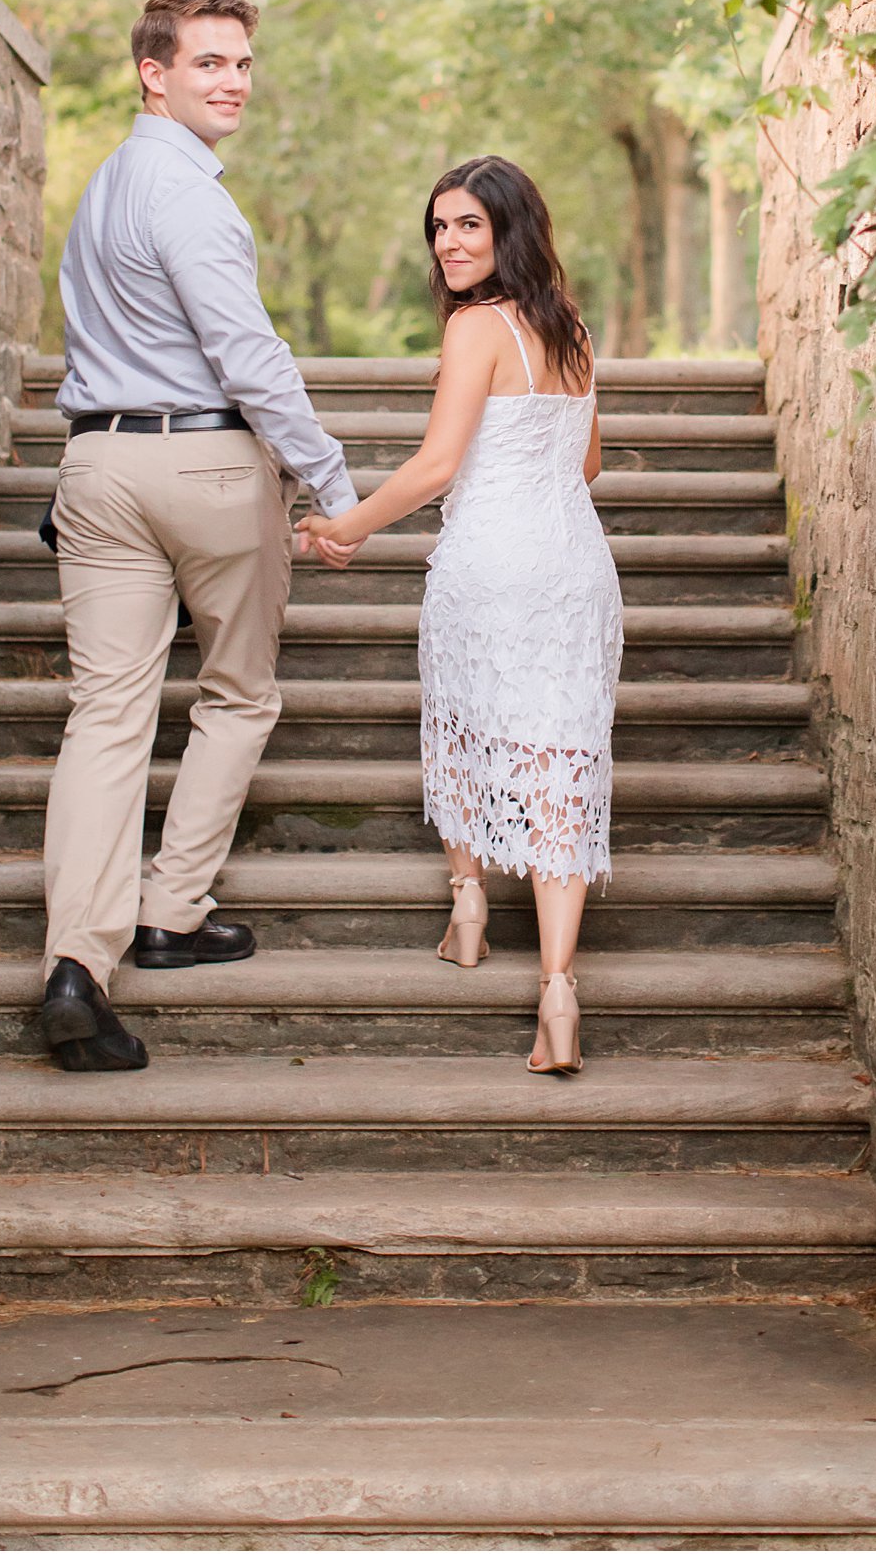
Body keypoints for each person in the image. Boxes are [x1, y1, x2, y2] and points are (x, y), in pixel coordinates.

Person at [41, 0, 360, 1072]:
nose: (231, 82)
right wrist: (330, 481)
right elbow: (249, 356)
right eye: (208, 62)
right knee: (236, 690)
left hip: (96, 461)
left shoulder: (101, 190)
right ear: (153, 73)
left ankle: (76, 965)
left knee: (107, 718)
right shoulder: (192, 199)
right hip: (207, 462)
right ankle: (170, 912)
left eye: (240, 64)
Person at [298, 156, 623, 1074]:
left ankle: (468, 909)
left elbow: (439, 465)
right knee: (563, 754)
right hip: (575, 563)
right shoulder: (575, 332)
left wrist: (349, 528)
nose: (448, 242)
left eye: (469, 225)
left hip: (490, 559)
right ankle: (557, 992)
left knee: (461, 720)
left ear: (508, 229)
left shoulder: (476, 328)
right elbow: (586, 466)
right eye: (439, 227)